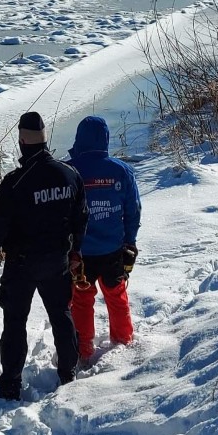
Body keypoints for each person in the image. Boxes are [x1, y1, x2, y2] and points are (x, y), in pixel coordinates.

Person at [0, 111, 89, 400]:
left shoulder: (15, 182)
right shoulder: (69, 174)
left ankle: (11, 384)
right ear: (44, 140)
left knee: (15, 323)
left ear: (22, 142)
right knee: (61, 315)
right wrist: (76, 251)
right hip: (58, 260)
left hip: (22, 264)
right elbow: (82, 217)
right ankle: (68, 372)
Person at [67, 115, 141, 365]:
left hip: (81, 254)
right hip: (113, 249)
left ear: (79, 139)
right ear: (106, 139)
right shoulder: (121, 171)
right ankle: (123, 341)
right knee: (116, 295)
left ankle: (83, 349)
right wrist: (130, 241)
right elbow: (133, 210)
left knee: (81, 300)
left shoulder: (69, 170)